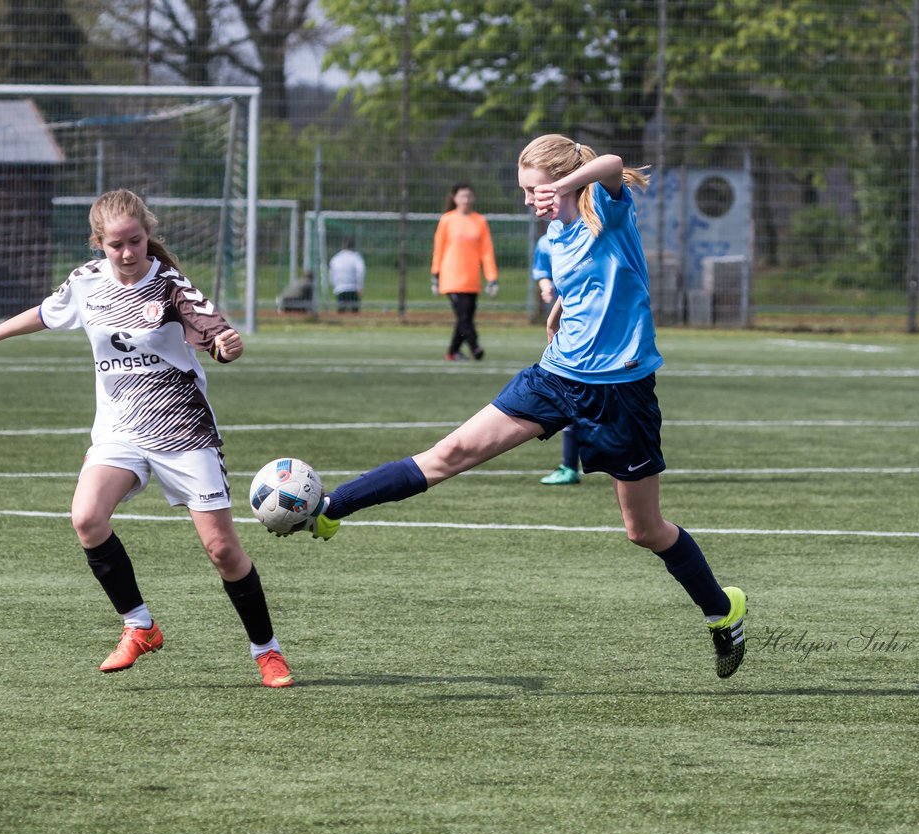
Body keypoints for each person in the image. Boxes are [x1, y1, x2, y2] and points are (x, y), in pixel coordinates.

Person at [308, 134, 747, 680]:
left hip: (620, 391)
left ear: (562, 181)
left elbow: (610, 164)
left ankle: (721, 608)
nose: (528, 200)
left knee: (645, 530)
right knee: (452, 452)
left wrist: (564, 185)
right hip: (554, 376)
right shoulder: (556, 233)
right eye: (525, 190)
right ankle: (331, 507)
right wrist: (563, 305)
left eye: (534, 189)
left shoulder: (607, 212)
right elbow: (590, 280)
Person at [0, 188, 297, 688]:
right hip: (120, 430)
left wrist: (227, 346)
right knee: (87, 517)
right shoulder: (86, 282)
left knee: (222, 550)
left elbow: (214, 336)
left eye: (136, 241)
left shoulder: (171, 287)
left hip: (183, 430)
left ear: (147, 235)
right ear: (99, 244)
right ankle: (139, 626)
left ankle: (267, 651)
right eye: (116, 245)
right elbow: (46, 312)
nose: (128, 253)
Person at [532, 233, 581, 486]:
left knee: (579, 399)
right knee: (572, 398)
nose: (532, 202)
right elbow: (541, 271)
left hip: (586, 330)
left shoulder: (591, 232)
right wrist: (545, 287)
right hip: (567, 327)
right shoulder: (545, 241)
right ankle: (570, 465)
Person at [431, 182, 498, 361]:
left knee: (465, 318)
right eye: (462, 196)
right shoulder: (447, 220)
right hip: (451, 278)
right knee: (463, 317)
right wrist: (435, 275)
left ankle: (452, 352)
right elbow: (439, 249)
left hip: (471, 278)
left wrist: (491, 277)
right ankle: (475, 347)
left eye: (469, 196)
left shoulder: (480, 221)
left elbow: (487, 252)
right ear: (454, 198)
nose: (466, 200)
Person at [328, 236, 365, 313]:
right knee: (355, 312)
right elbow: (361, 271)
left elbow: (331, 274)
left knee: (341, 311)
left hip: (340, 288)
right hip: (353, 289)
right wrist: (360, 286)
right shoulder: (356, 257)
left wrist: (335, 286)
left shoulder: (335, 258)